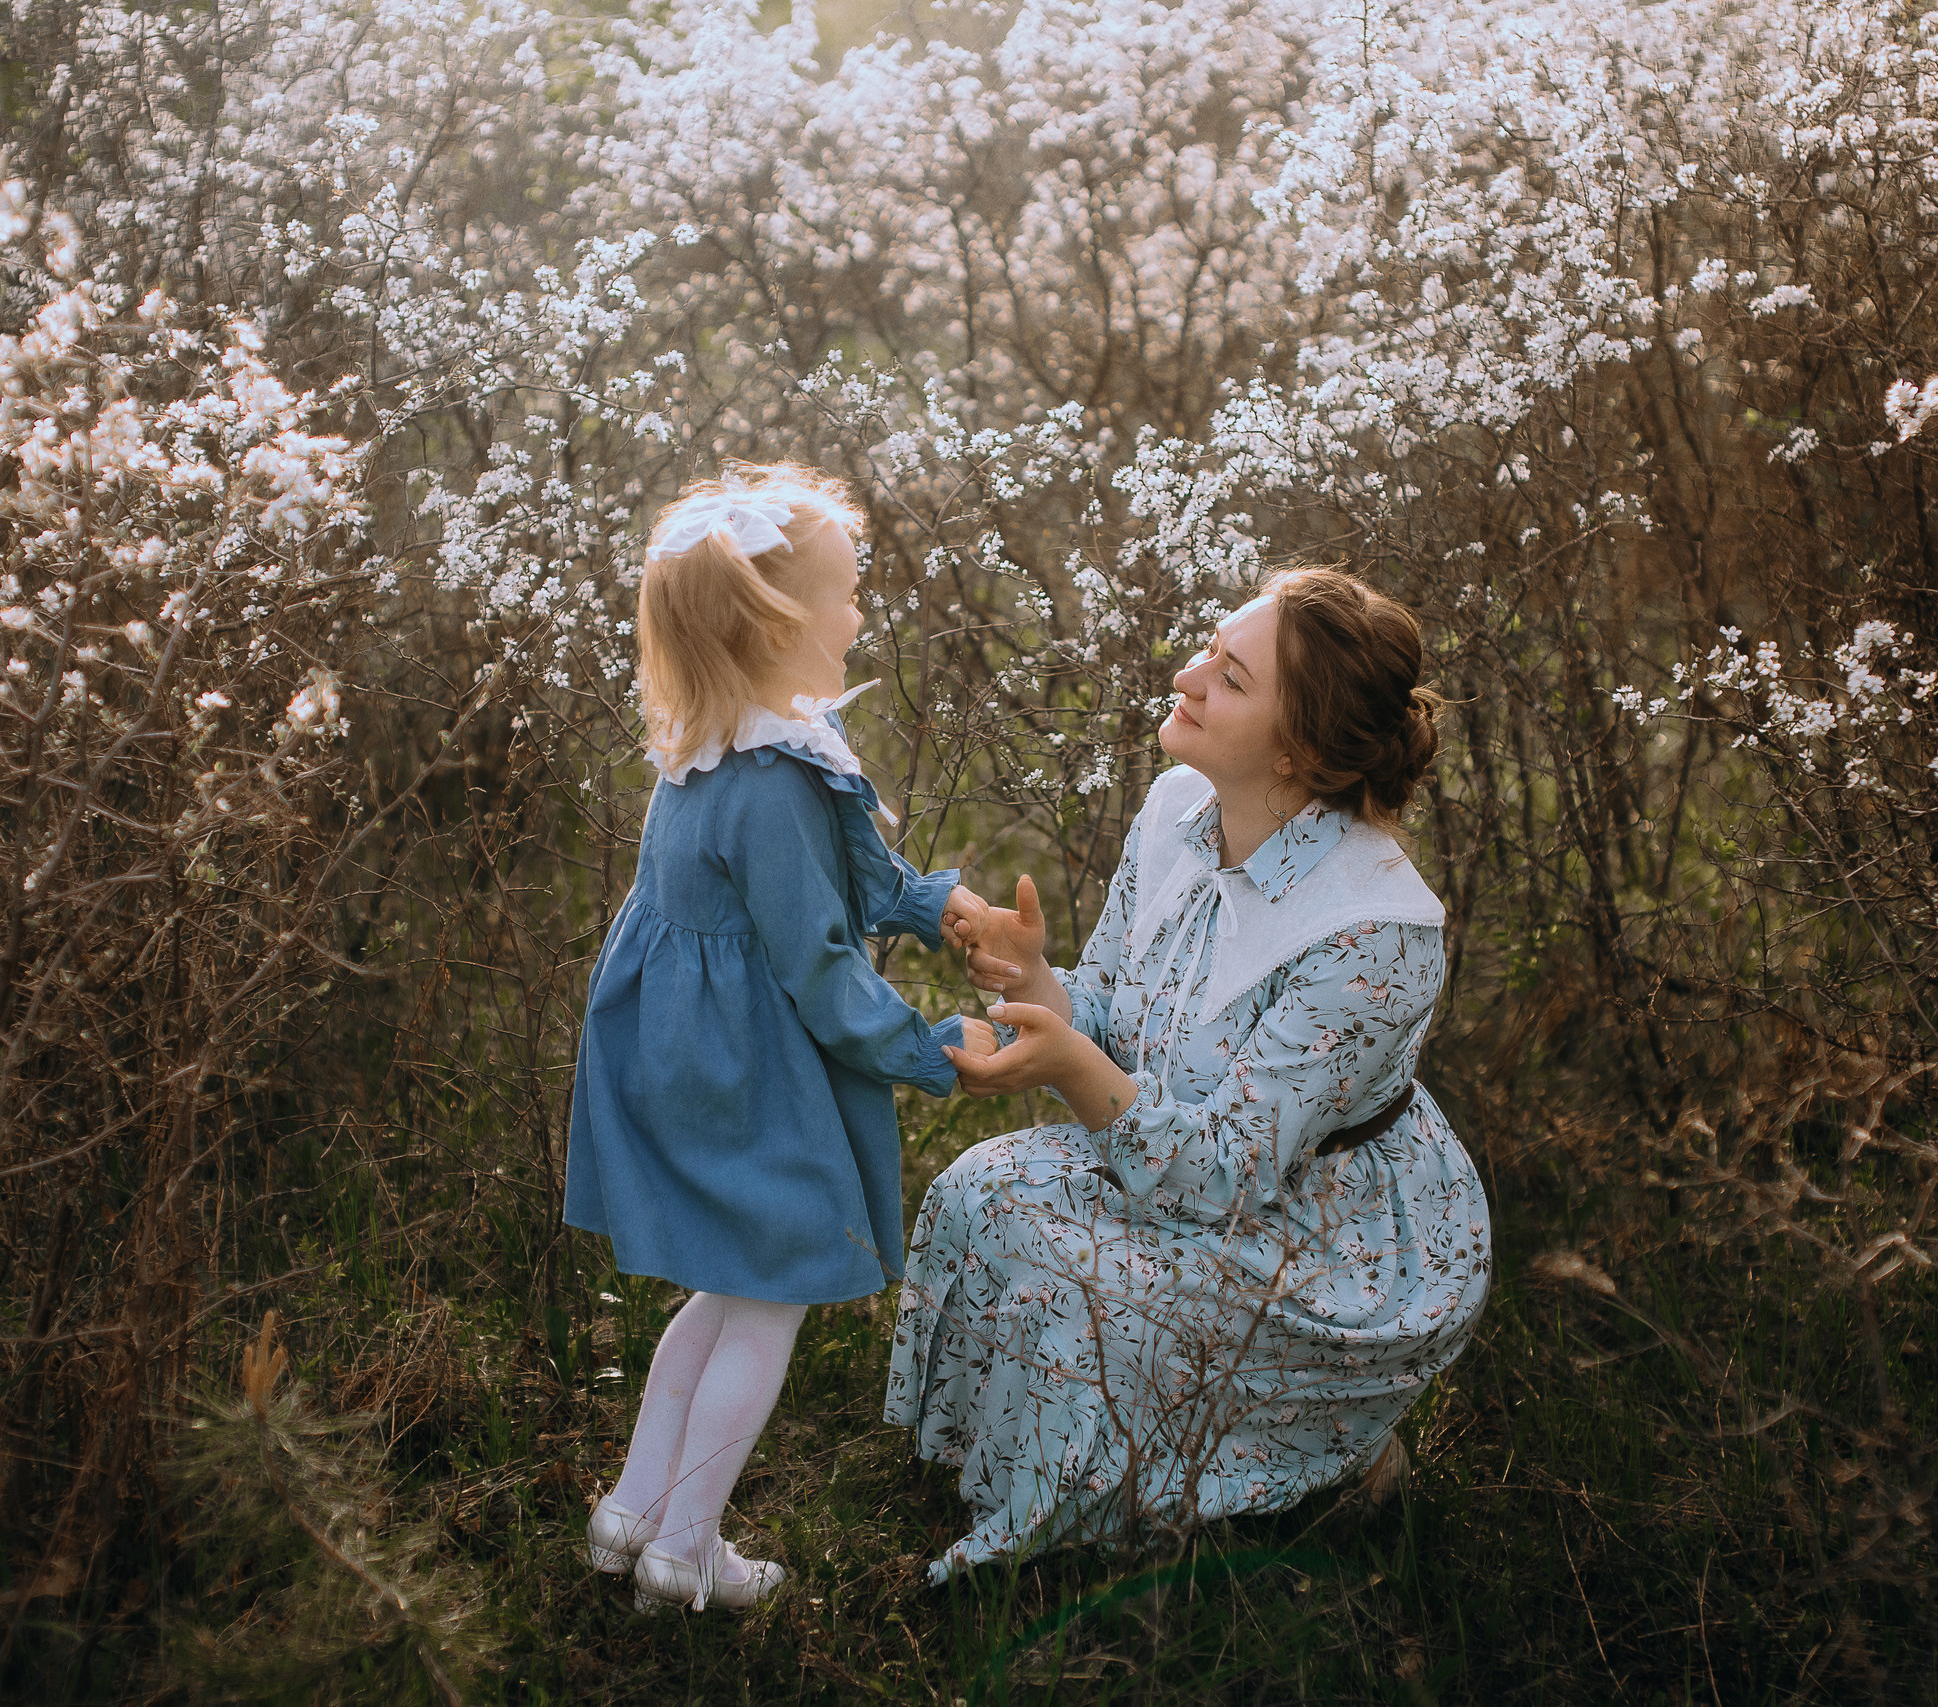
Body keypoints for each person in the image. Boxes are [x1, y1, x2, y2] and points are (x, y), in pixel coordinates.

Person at [886, 565, 1491, 1584]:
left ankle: (1315, 1456)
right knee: (979, 1194)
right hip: (1188, 1157)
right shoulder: (1178, 806)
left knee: (1091, 1288)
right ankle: (1002, 1470)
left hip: (1322, 1231)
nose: (1187, 675)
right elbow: (1121, 1018)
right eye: (1209, 650)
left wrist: (1070, 1067)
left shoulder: (1373, 929)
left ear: (1296, 751)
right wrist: (1034, 975)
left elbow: (1220, 1177)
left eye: (1230, 676)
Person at [564, 464, 995, 1613]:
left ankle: (634, 1507)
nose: (861, 615)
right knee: (770, 1302)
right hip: (746, 1072)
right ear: (779, 623)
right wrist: (925, 1047)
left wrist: (935, 906)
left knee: (717, 1292)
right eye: (848, 593)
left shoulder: (712, 757)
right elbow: (814, 967)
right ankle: (687, 1543)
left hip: (681, 1060)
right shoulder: (769, 784)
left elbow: (851, 880)